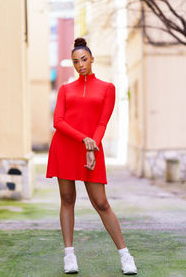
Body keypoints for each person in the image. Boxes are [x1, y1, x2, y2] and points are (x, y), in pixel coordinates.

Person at [46, 37, 137, 275]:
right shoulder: (65, 89)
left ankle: (125, 255)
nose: (81, 65)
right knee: (67, 200)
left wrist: (91, 146)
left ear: (92, 59)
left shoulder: (107, 88)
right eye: (76, 62)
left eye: (84, 59)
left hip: (91, 150)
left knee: (101, 203)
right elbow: (58, 122)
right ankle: (69, 256)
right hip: (65, 147)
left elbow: (102, 122)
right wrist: (83, 139)